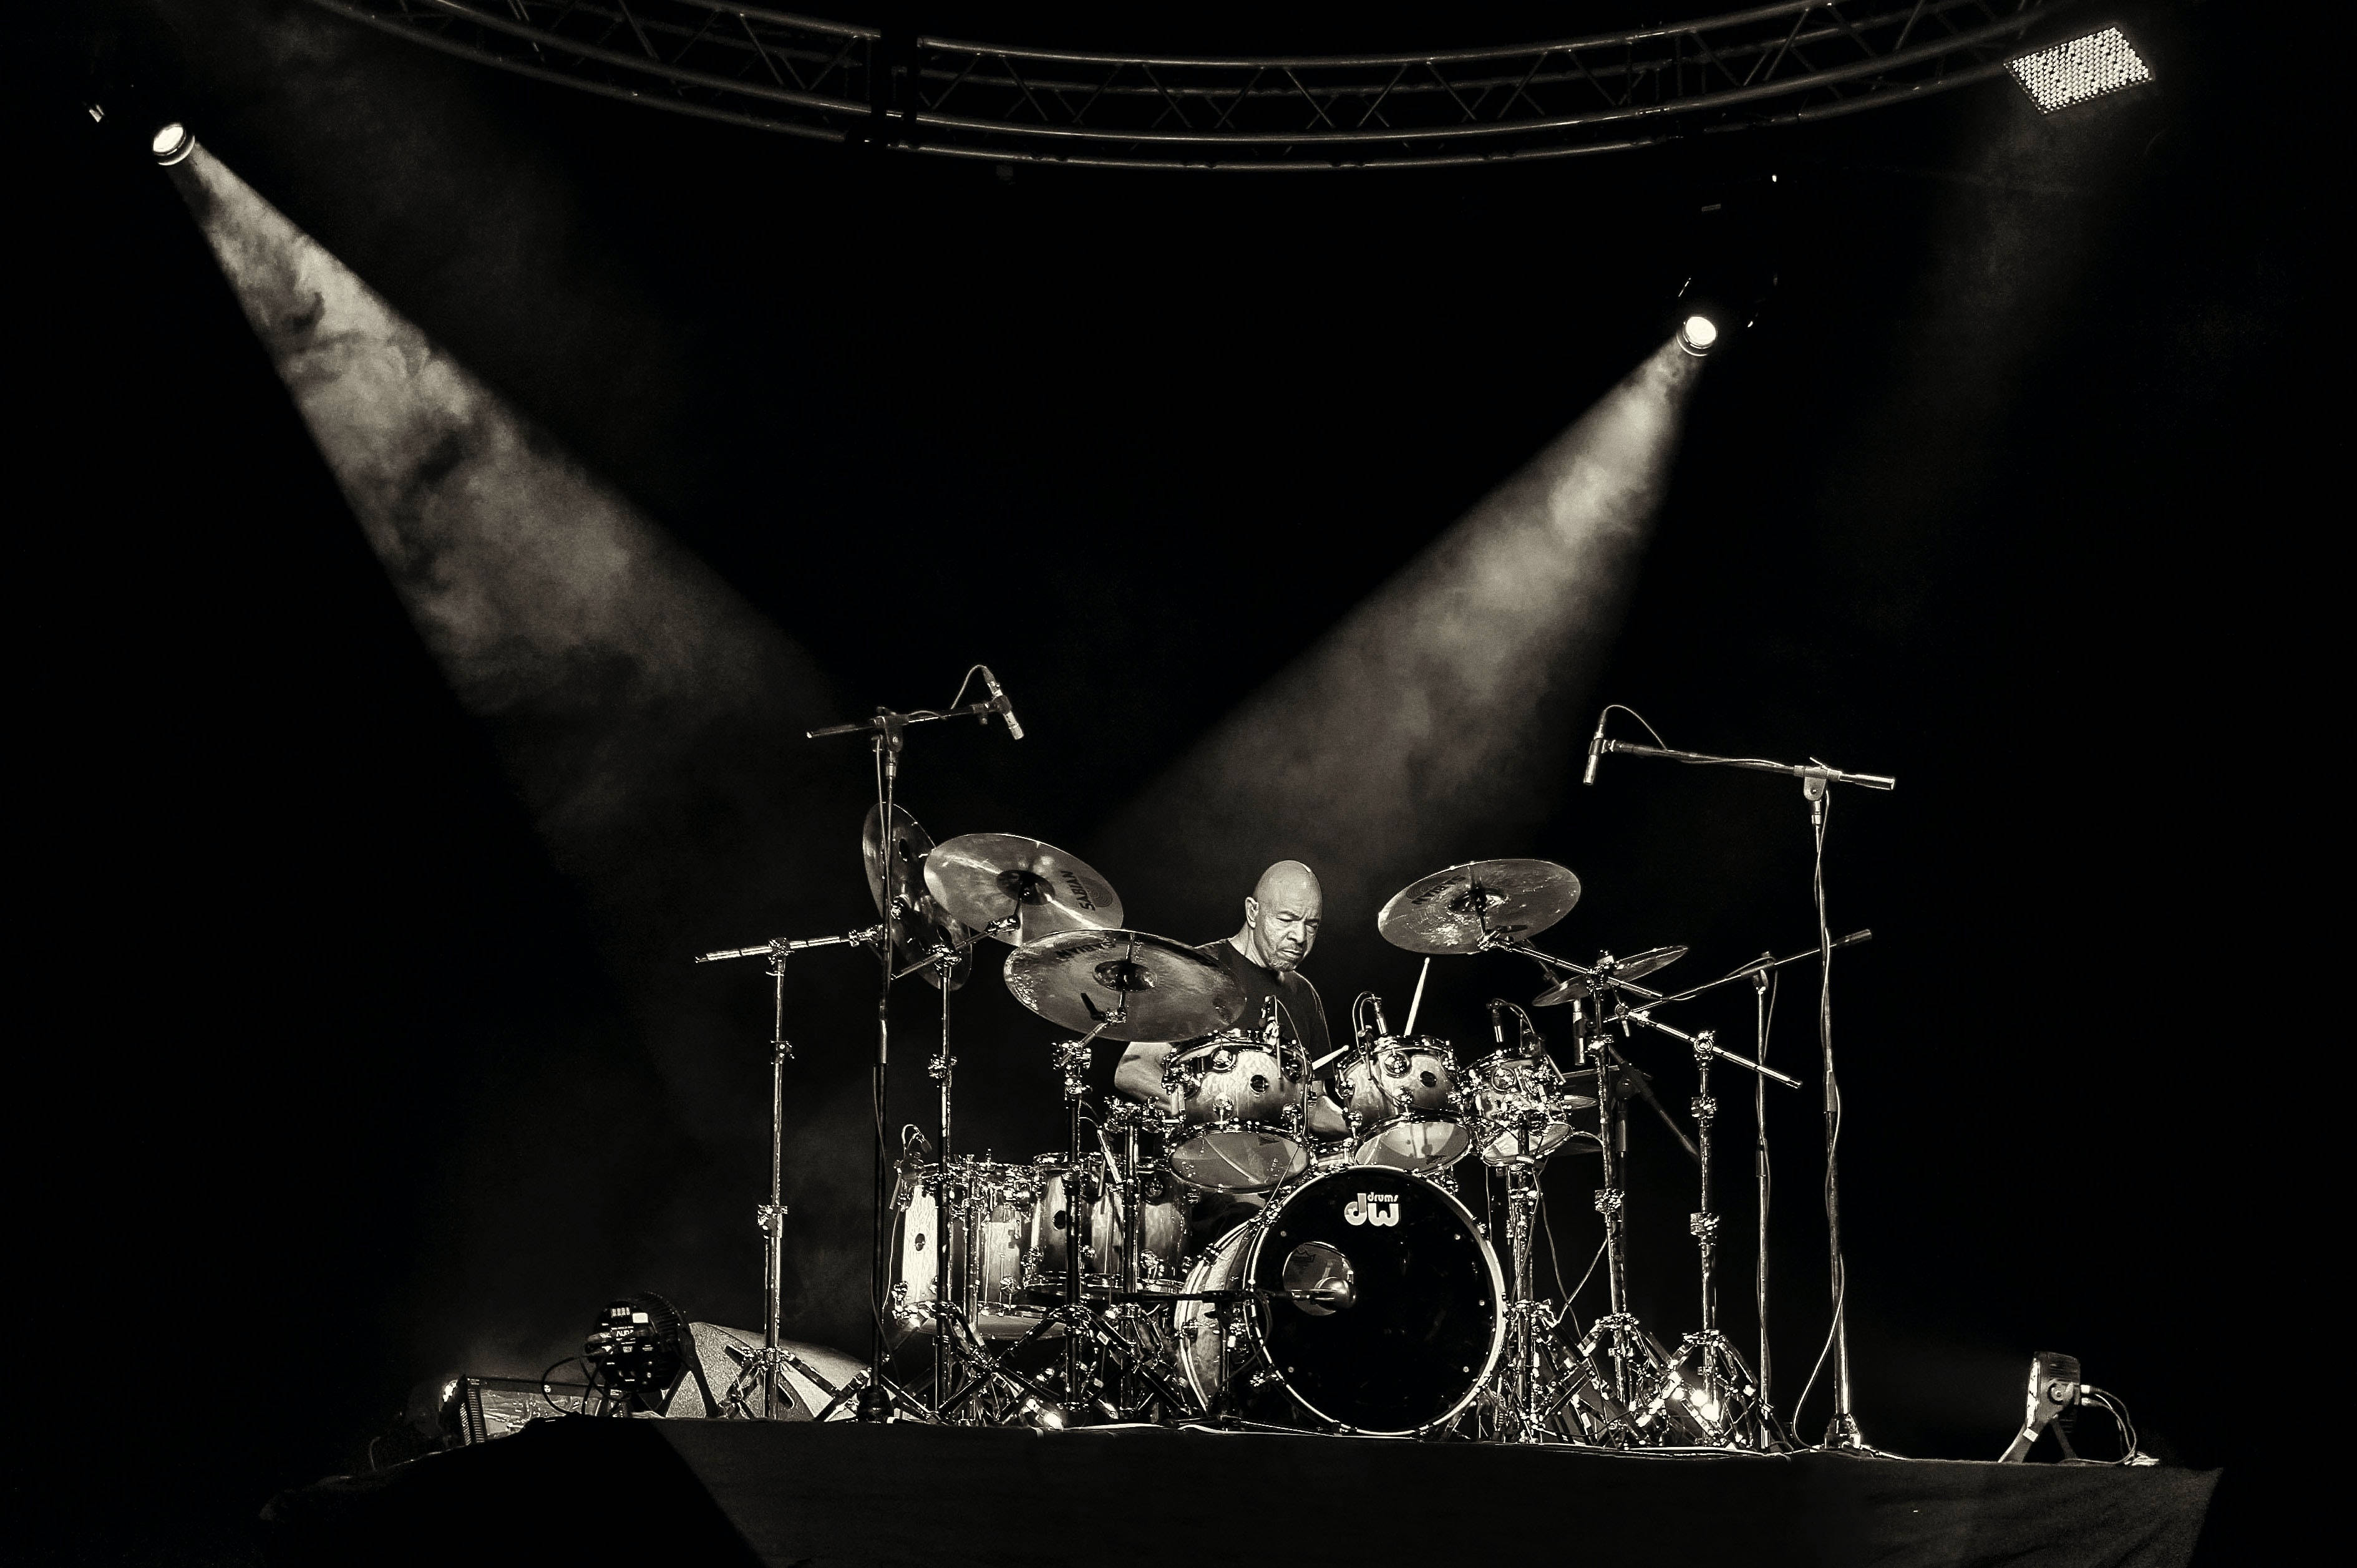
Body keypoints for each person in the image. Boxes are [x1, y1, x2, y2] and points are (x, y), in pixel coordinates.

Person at [1114, 861, 1349, 1239]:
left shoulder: (1304, 995)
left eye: (1312, 925)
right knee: (1256, 1223)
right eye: (1286, 920)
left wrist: (1371, 1125)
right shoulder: (1201, 974)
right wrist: (1200, 1105)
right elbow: (1132, 1069)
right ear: (1253, 912)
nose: (1299, 937)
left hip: (1282, 1172)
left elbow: (1314, 1104)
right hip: (1207, 1171)